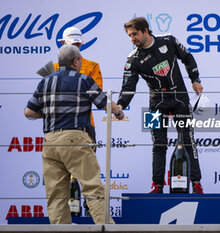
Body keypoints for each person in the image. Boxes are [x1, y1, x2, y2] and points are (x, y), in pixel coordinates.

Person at [24, 44, 124, 224]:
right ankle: (106, 228)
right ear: (76, 61)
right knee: (92, 188)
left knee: (55, 195)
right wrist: (118, 112)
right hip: (75, 140)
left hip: (50, 142)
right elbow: (105, 104)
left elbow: (29, 112)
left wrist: (50, 114)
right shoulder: (84, 80)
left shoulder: (45, 81)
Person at [117, 17, 203, 194]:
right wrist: (120, 105)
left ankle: (196, 183)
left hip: (180, 99)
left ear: (146, 30)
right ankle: (157, 186)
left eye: (135, 34)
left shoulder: (169, 40)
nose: (132, 39)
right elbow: (128, 86)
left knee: (188, 139)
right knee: (158, 144)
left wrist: (195, 80)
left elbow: (188, 58)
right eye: (129, 36)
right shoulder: (132, 59)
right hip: (156, 103)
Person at [55, 26, 103, 143]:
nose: (75, 48)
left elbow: (97, 94)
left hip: (85, 123)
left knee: (87, 161)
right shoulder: (53, 68)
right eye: (72, 45)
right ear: (62, 43)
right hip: (58, 124)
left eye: (78, 44)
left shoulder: (92, 66)